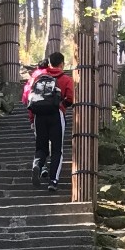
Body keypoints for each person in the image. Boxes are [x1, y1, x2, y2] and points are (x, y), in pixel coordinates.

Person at [21, 50, 75, 189]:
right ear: (62, 64)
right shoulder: (66, 79)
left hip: (39, 115)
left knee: (41, 147)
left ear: (49, 63)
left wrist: (32, 119)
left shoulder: (38, 76)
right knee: (57, 150)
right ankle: (53, 181)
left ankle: (37, 165)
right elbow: (70, 98)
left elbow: (28, 98)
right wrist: (61, 105)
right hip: (56, 115)